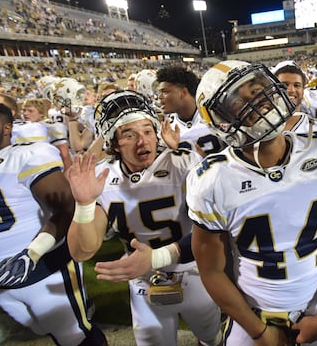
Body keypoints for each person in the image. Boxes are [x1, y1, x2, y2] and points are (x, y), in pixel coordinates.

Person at [188, 60, 317, 345]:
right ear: (221, 120)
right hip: (253, 316)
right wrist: (260, 332)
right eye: (238, 100)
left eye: (257, 89)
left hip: (316, 310)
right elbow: (211, 271)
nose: (258, 101)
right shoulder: (212, 179)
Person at [65, 90, 222, 346]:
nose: (143, 141)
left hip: (194, 270)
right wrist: (83, 204)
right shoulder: (103, 178)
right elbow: (82, 252)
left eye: (148, 131)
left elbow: (217, 224)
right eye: (129, 135)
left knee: (211, 336)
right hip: (143, 279)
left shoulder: (183, 162)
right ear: (114, 144)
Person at [0, 99, 106, 345]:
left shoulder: (27, 155)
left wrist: (31, 253)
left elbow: (65, 208)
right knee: (43, 328)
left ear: (7, 127)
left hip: (44, 270)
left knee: (76, 335)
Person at [155, 64, 226, 156]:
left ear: (183, 92)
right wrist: (172, 151)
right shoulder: (167, 129)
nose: (159, 97)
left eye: (165, 92)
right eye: (159, 92)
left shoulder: (215, 115)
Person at [271, 60, 317, 133]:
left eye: (296, 85)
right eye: (284, 85)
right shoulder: (260, 129)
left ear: (303, 89)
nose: (291, 90)